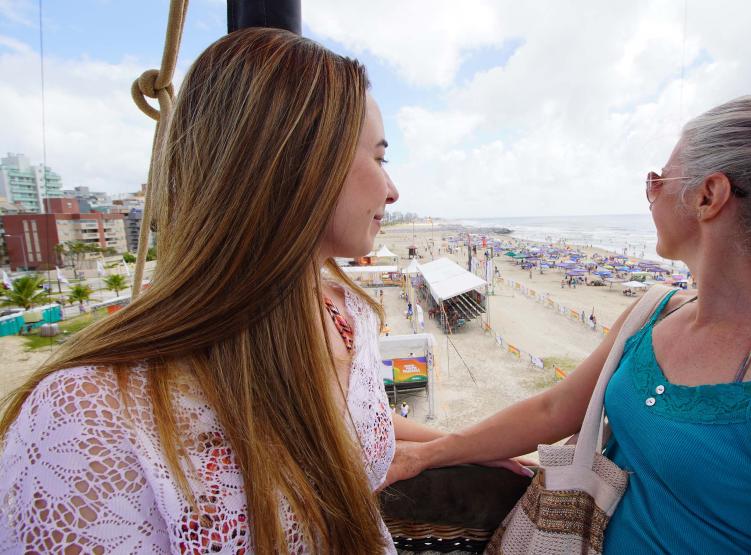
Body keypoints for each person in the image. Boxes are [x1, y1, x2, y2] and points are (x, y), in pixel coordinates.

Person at [0, 28, 527, 555]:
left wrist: (465, 447)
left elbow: (351, 419)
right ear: (299, 164)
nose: (393, 190)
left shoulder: (348, 318)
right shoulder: (83, 422)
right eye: (380, 158)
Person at [385, 95, 751, 553]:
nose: (651, 192)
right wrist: (431, 452)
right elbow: (552, 408)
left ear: (709, 196)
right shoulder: (656, 310)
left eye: (658, 179)